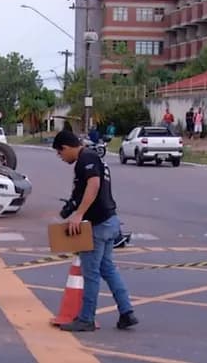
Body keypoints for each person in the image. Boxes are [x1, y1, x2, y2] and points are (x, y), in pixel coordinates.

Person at [51, 130, 138, 332]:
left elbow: (94, 184)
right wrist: (69, 211)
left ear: (66, 147)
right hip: (110, 221)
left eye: (59, 153)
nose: (60, 157)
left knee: (90, 274)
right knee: (108, 269)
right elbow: (81, 192)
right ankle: (127, 312)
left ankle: (86, 318)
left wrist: (79, 214)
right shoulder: (92, 157)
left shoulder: (86, 158)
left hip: (97, 225)